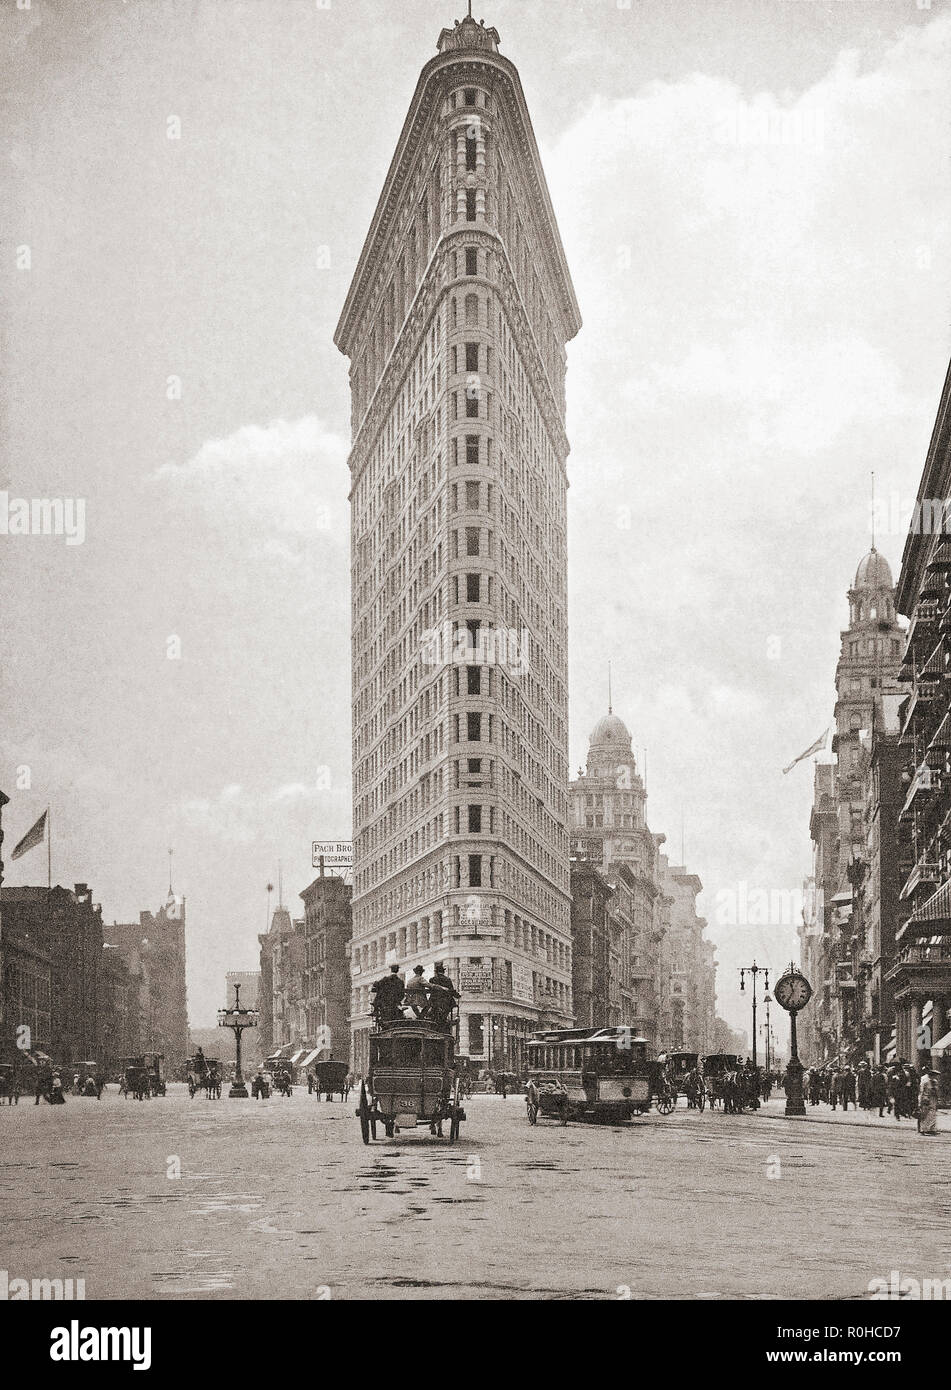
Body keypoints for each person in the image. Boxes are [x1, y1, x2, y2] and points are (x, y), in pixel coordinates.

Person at [918, 1068, 939, 1136]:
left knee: (932, 1114)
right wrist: (920, 1102)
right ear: (931, 1075)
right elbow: (921, 1092)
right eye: (934, 1075)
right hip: (926, 1099)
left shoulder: (935, 1082)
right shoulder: (925, 1082)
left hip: (933, 1099)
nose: (935, 1077)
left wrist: (937, 1100)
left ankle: (932, 1129)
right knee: (924, 1115)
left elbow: (936, 1091)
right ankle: (922, 1129)